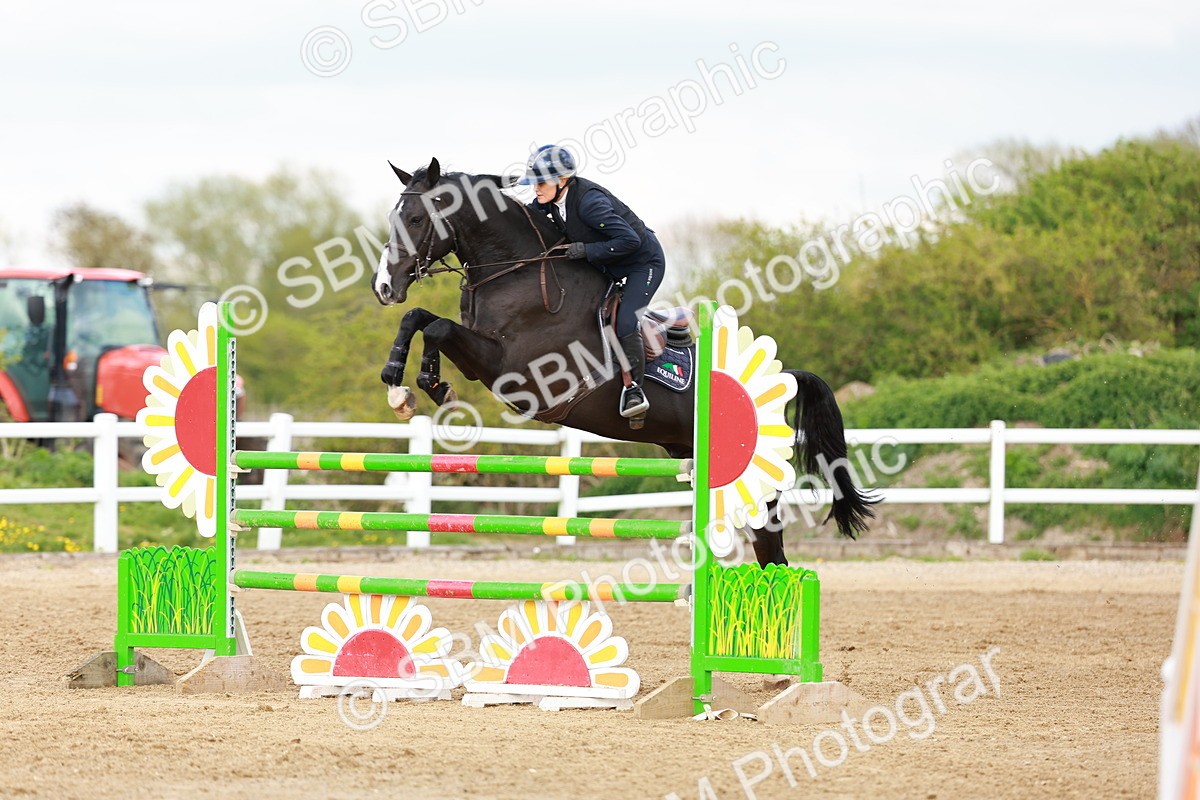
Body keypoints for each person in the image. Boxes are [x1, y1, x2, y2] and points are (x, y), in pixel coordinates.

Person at [520, 144, 665, 418]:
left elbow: (630, 241)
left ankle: (634, 390)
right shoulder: (550, 199)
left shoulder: (590, 204)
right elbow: (524, 217)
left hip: (642, 263)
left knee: (625, 322)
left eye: (541, 182)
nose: (535, 189)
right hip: (609, 262)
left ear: (562, 180)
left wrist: (586, 250)